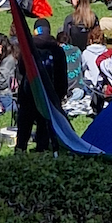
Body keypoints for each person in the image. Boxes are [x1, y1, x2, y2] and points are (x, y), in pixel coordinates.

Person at [16, 19, 68, 152]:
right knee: (44, 126)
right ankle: (42, 152)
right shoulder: (57, 50)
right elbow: (62, 76)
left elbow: (21, 70)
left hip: (30, 93)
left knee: (24, 126)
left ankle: (20, 150)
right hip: (49, 94)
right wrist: (59, 96)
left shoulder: (28, 48)